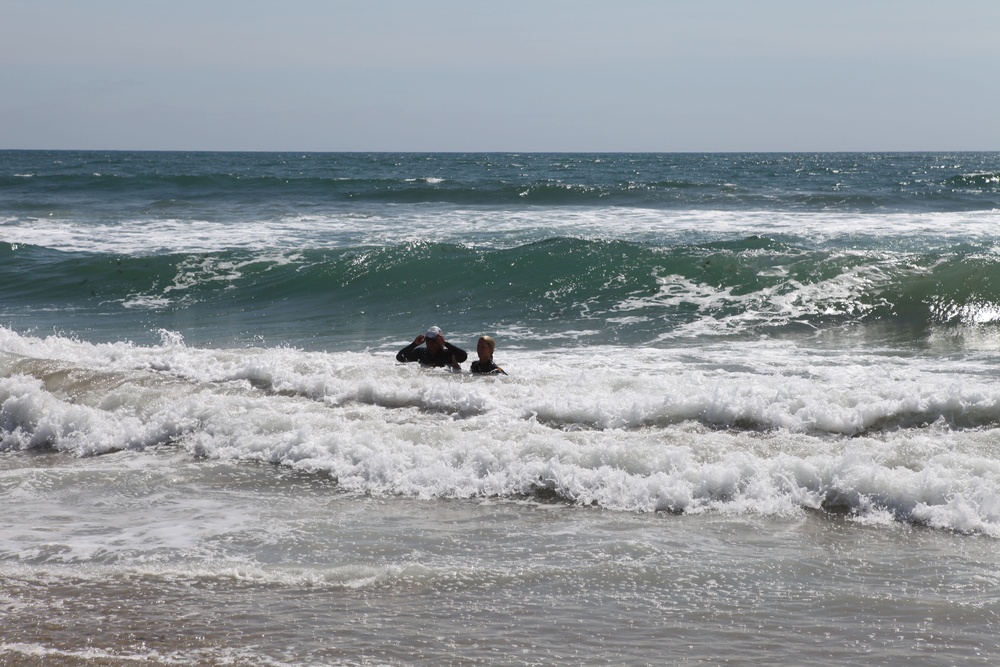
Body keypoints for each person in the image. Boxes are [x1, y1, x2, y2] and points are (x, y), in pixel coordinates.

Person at [396, 326, 468, 370]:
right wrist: (414, 344)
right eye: (428, 342)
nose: (431, 346)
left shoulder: (448, 354)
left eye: (434, 342)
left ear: (440, 342)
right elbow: (400, 357)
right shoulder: (421, 353)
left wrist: (445, 343)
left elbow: (463, 356)